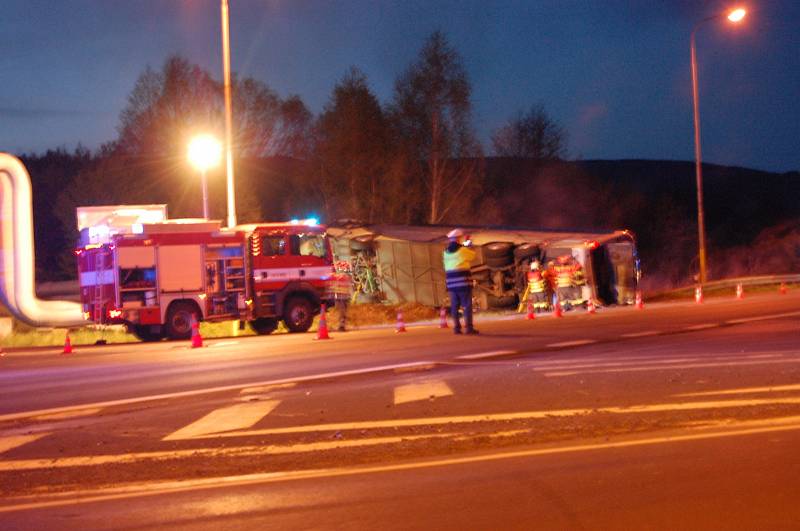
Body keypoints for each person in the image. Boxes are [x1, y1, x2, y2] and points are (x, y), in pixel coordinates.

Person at [443, 228, 478, 335]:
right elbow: (472, 255)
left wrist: (465, 245)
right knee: (467, 306)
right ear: (458, 239)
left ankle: (456, 328)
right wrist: (469, 243)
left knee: (454, 306)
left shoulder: (445, 252)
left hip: (451, 285)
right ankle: (469, 328)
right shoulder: (462, 250)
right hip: (463, 283)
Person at [330, 260, 353, 331]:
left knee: (341, 312)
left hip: (340, 297)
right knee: (342, 312)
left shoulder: (339, 276)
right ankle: (341, 325)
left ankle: (341, 326)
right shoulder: (346, 276)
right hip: (343, 297)